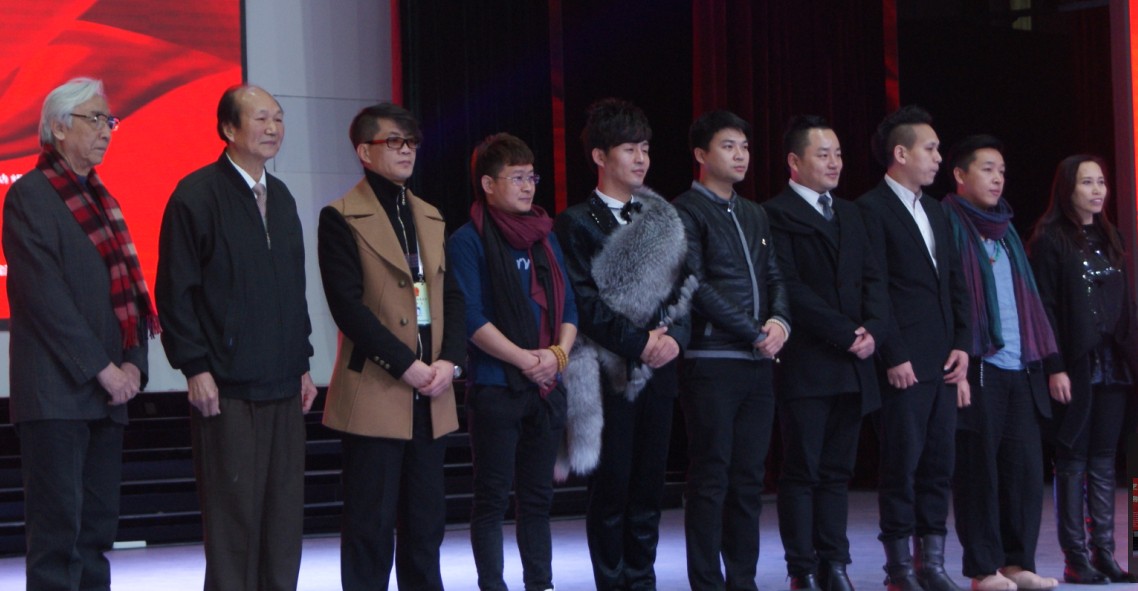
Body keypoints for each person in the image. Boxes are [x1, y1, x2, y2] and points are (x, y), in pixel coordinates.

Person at [156, 84, 317, 591]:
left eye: (279, 118)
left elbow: (293, 288)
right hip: (227, 388)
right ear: (228, 128)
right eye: (261, 118)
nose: (273, 128)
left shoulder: (282, 196)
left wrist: (303, 362)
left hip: (283, 384)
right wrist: (195, 367)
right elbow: (175, 292)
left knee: (283, 520)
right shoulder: (196, 195)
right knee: (234, 523)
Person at [4, 77, 156, 591]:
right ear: (59, 128)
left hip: (107, 396)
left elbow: (128, 291)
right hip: (56, 396)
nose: (107, 130)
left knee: (95, 534)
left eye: (108, 120)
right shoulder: (29, 196)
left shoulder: (102, 200)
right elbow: (45, 299)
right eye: (95, 119)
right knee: (57, 537)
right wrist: (104, 370)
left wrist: (134, 362)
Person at [317, 102, 463, 591]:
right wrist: (406, 365)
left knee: (426, 526)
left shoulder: (430, 215)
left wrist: (450, 361)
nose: (406, 151)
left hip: (432, 391)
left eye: (411, 142)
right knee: (370, 527)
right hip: (378, 389)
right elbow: (347, 308)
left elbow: (452, 296)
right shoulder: (340, 217)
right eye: (393, 142)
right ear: (365, 152)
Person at [554, 97, 692, 591]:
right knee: (611, 489)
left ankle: (643, 579)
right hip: (606, 372)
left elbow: (686, 288)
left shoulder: (662, 217)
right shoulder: (575, 222)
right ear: (600, 156)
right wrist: (639, 342)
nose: (641, 158)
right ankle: (612, 582)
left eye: (645, 149)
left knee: (650, 489)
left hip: (658, 372)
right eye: (629, 149)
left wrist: (674, 340)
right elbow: (584, 303)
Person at [448, 132, 578, 591]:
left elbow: (570, 307)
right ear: (488, 184)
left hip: (546, 388)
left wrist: (557, 356)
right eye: (517, 178)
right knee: (491, 501)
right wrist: (526, 359)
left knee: (537, 501)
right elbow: (470, 316)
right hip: (496, 387)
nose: (528, 187)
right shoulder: (468, 241)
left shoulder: (546, 237)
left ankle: (540, 583)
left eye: (531, 177)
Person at [765, 115, 888, 591]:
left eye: (838, 154)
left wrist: (872, 329)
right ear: (794, 162)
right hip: (807, 362)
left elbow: (874, 279)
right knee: (802, 469)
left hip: (854, 364)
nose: (834, 162)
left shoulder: (852, 213)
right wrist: (845, 332)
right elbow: (789, 287)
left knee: (838, 472)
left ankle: (835, 563)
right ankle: (802, 568)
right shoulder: (775, 213)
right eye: (823, 154)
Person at [671, 110, 789, 591]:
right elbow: (695, 285)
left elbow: (775, 276)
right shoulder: (685, 211)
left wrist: (779, 322)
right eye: (728, 146)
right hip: (711, 361)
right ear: (701, 154)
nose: (740, 155)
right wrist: (753, 331)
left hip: (757, 365)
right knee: (711, 477)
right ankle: (706, 581)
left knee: (748, 480)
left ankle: (743, 579)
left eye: (744, 146)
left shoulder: (754, 212)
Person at [855, 105, 970, 591]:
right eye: (931, 148)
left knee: (939, 464)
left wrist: (963, 344)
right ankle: (899, 568)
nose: (939, 158)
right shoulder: (871, 208)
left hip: (943, 359)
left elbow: (954, 283)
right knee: (901, 465)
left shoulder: (938, 211)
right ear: (900, 153)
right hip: (903, 361)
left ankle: (932, 563)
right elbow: (875, 288)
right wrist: (894, 352)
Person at [941, 134, 1059, 591]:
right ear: (960, 174)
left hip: (1019, 367)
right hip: (978, 366)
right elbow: (948, 301)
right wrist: (959, 365)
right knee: (979, 473)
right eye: (987, 169)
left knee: (1023, 471)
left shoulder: (1006, 230)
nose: (997, 179)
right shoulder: (948, 224)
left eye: (1002, 171)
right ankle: (983, 568)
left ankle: (1017, 563)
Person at [1028, 155, 1138, 584]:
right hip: (1074, 362)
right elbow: (1045, 307)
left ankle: (1104, 553)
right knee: (1072, 456)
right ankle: (1076, 557)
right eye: (1087, 183)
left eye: (1101, 182)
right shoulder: (1051, 239)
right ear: (1067, 189)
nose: (1097, 191)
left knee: (1104, 458)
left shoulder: (1111, 236)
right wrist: (1054, 366)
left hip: (1113, 363)